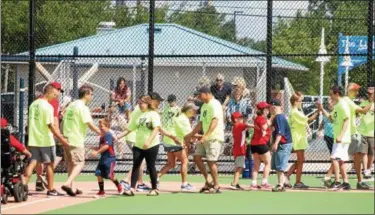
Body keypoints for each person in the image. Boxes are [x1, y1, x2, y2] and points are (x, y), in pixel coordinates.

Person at [122, 94, 180, 196]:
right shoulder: (138, 114)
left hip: (152, 145)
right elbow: (130, 128)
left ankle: (154, 189)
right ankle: (132, 189)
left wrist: (149, 141)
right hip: (138, 144)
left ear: (148, 103)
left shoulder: (153, 114)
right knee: (136, 165)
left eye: (142, 103)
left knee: (150, 166)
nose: (140, 105)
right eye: (139, 103)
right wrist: (118, 136)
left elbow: (157, 128)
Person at [23, 84, 69, 196]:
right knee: (49, 165)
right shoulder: (48, 107)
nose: (56, 96)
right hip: (46, 141)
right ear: (50, 92)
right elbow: (51, 125)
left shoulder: (33, 104)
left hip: (33, 139)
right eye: (55, 93)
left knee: (32, 163)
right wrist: (61, 139)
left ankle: (23, 187)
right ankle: (51, 189)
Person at [61, 85, 102, 196]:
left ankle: (71, 187)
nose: (92, 96)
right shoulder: (83, 107)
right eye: (91, 94)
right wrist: (102, 133)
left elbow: (63, 120)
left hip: (66, 137)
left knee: (71, 163)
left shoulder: (71, 105)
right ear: (86, 95)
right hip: (75, 139)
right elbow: (90, 124)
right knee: (80, 163)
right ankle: (67, 183)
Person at [184, 86, 225, 194]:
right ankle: (208, 180)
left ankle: (217, 186)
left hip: (214, 137)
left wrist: (206, 135)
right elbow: (201, 123)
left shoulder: (215, 104)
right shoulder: (204, 106)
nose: (199, 97)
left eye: (200, 95)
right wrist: (191, 134)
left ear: (206, 93)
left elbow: (215, 121)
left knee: (211, 161)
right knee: (197, 157)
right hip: (205, 138)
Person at [158, 102, 200, 191]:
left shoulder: (180, 117)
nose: (195, 112)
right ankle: (184, 184)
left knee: (171, 164)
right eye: (193, 110)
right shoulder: (184, 119)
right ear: (189, 110)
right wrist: (205, 136)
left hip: (168, 141)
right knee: (185, 161)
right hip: (175, 142)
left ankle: (156, 178)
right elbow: (189, 135)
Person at [319, 86, 352, 190]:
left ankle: (337, 182)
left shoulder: (342, 105)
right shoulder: (337, 105)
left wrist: (341, 135)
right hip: (339, 138)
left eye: (331, 94)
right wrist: (322, 109)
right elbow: (331, 119)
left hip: (341, 138)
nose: (330, 96)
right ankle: (346, 182)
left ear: (337, 94)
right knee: (340, 160)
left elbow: (347, 120)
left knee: (334, 158)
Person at [284, 92, 319, 189]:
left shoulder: (294, 112)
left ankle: (287, 176)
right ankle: (297, 181)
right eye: (300, 101)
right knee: (301, 160)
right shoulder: (295, 112)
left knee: (301, 160)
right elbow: (309, 119)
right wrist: (318, 111)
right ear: (295, 102)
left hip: (298, 137)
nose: (301, 103)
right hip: (297, 138)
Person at [35, 82, 65, 192]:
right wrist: (58, 134)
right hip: (48, 132)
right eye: (57, 90)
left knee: (38, 157)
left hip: (36, 131)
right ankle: (48, 181)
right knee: (55, 156)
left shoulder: (38, 100)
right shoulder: (54, 102)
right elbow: (54, 119)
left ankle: (39, 179)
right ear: (52, 90)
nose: (58, 93)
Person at [343, 83, 373, 189]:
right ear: (350, 91)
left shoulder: (346, 101)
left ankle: (358, 182)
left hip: (350, 134)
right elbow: (364, 111)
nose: (357, 93)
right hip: (346, 134)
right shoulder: (348, 102)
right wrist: (372, 101)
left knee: (355, 157)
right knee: (339, 158)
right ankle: (340, 181)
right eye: (355, 91)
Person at [118, 101, 150, 192]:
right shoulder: (142, 110)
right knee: (140, 161)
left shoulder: (139, 109)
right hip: (134, 138)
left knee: (141, 161)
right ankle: (126, 180)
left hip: (132, 137)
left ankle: (140, 183)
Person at [90, 119, 122, 198]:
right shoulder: (102, 136)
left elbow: (107, 146)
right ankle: (101, 191)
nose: (100, 128)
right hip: (103, 159)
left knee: (110, 176)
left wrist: (97, 152)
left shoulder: (108, 135)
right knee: (98, 173)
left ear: (107, 126)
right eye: (99, 126)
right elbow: (101, 147)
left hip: (110, 159)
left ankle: (119, 186)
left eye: (102, 126)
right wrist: (93, 148)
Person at [269, 99, 293, 192]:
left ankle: (281, 185)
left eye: (270, 106)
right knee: (277, 165)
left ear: (274, 107)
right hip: (281, 143)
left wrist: (275, 143)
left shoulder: (279, 117)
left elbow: (280, 133)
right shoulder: (277, 117)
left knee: (280, 165)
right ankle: (283, 182)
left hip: (283, 144)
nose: (269, 108)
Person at [250, 102, 273, 190]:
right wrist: (269, 122)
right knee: (268, 162)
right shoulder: (262, 119)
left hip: (254, 144)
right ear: (263, 110)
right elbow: (264, 127)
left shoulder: (257, 118)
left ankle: (254, 183)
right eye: (266, 109)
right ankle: (264, 182)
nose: (268, 110)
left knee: (256, 165)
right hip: (261, 143)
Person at [229, 112, 253, 190]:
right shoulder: (238, 125)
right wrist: (258, 126)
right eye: (240, 118)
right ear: (236, 119)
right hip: (239, 150)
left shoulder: (236, 126)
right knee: (239, 167)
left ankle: (235, 182)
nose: (242, 119)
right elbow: (248, 125)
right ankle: (234, 183)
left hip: (238, 149)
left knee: (239, 167)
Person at [317, 99, 335, 187]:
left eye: (330, 103)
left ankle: (330, 175)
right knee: (333, 156)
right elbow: (323, 122)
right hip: (328, 136)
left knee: (335, 157)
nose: (329, 105)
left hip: (335, 137)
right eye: (328, 103)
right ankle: (332, 175)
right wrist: (319, 130)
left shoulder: (336, 112)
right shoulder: (326, 112)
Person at [358, 85, 374, 179]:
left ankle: (368, 169)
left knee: (372, 153)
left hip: (372, 133)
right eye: (368, 93)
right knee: (364, 153)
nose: (369, 95)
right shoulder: (364, 103)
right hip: (363, 131)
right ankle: (365, 170)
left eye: (371, 93)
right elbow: (360, 112)